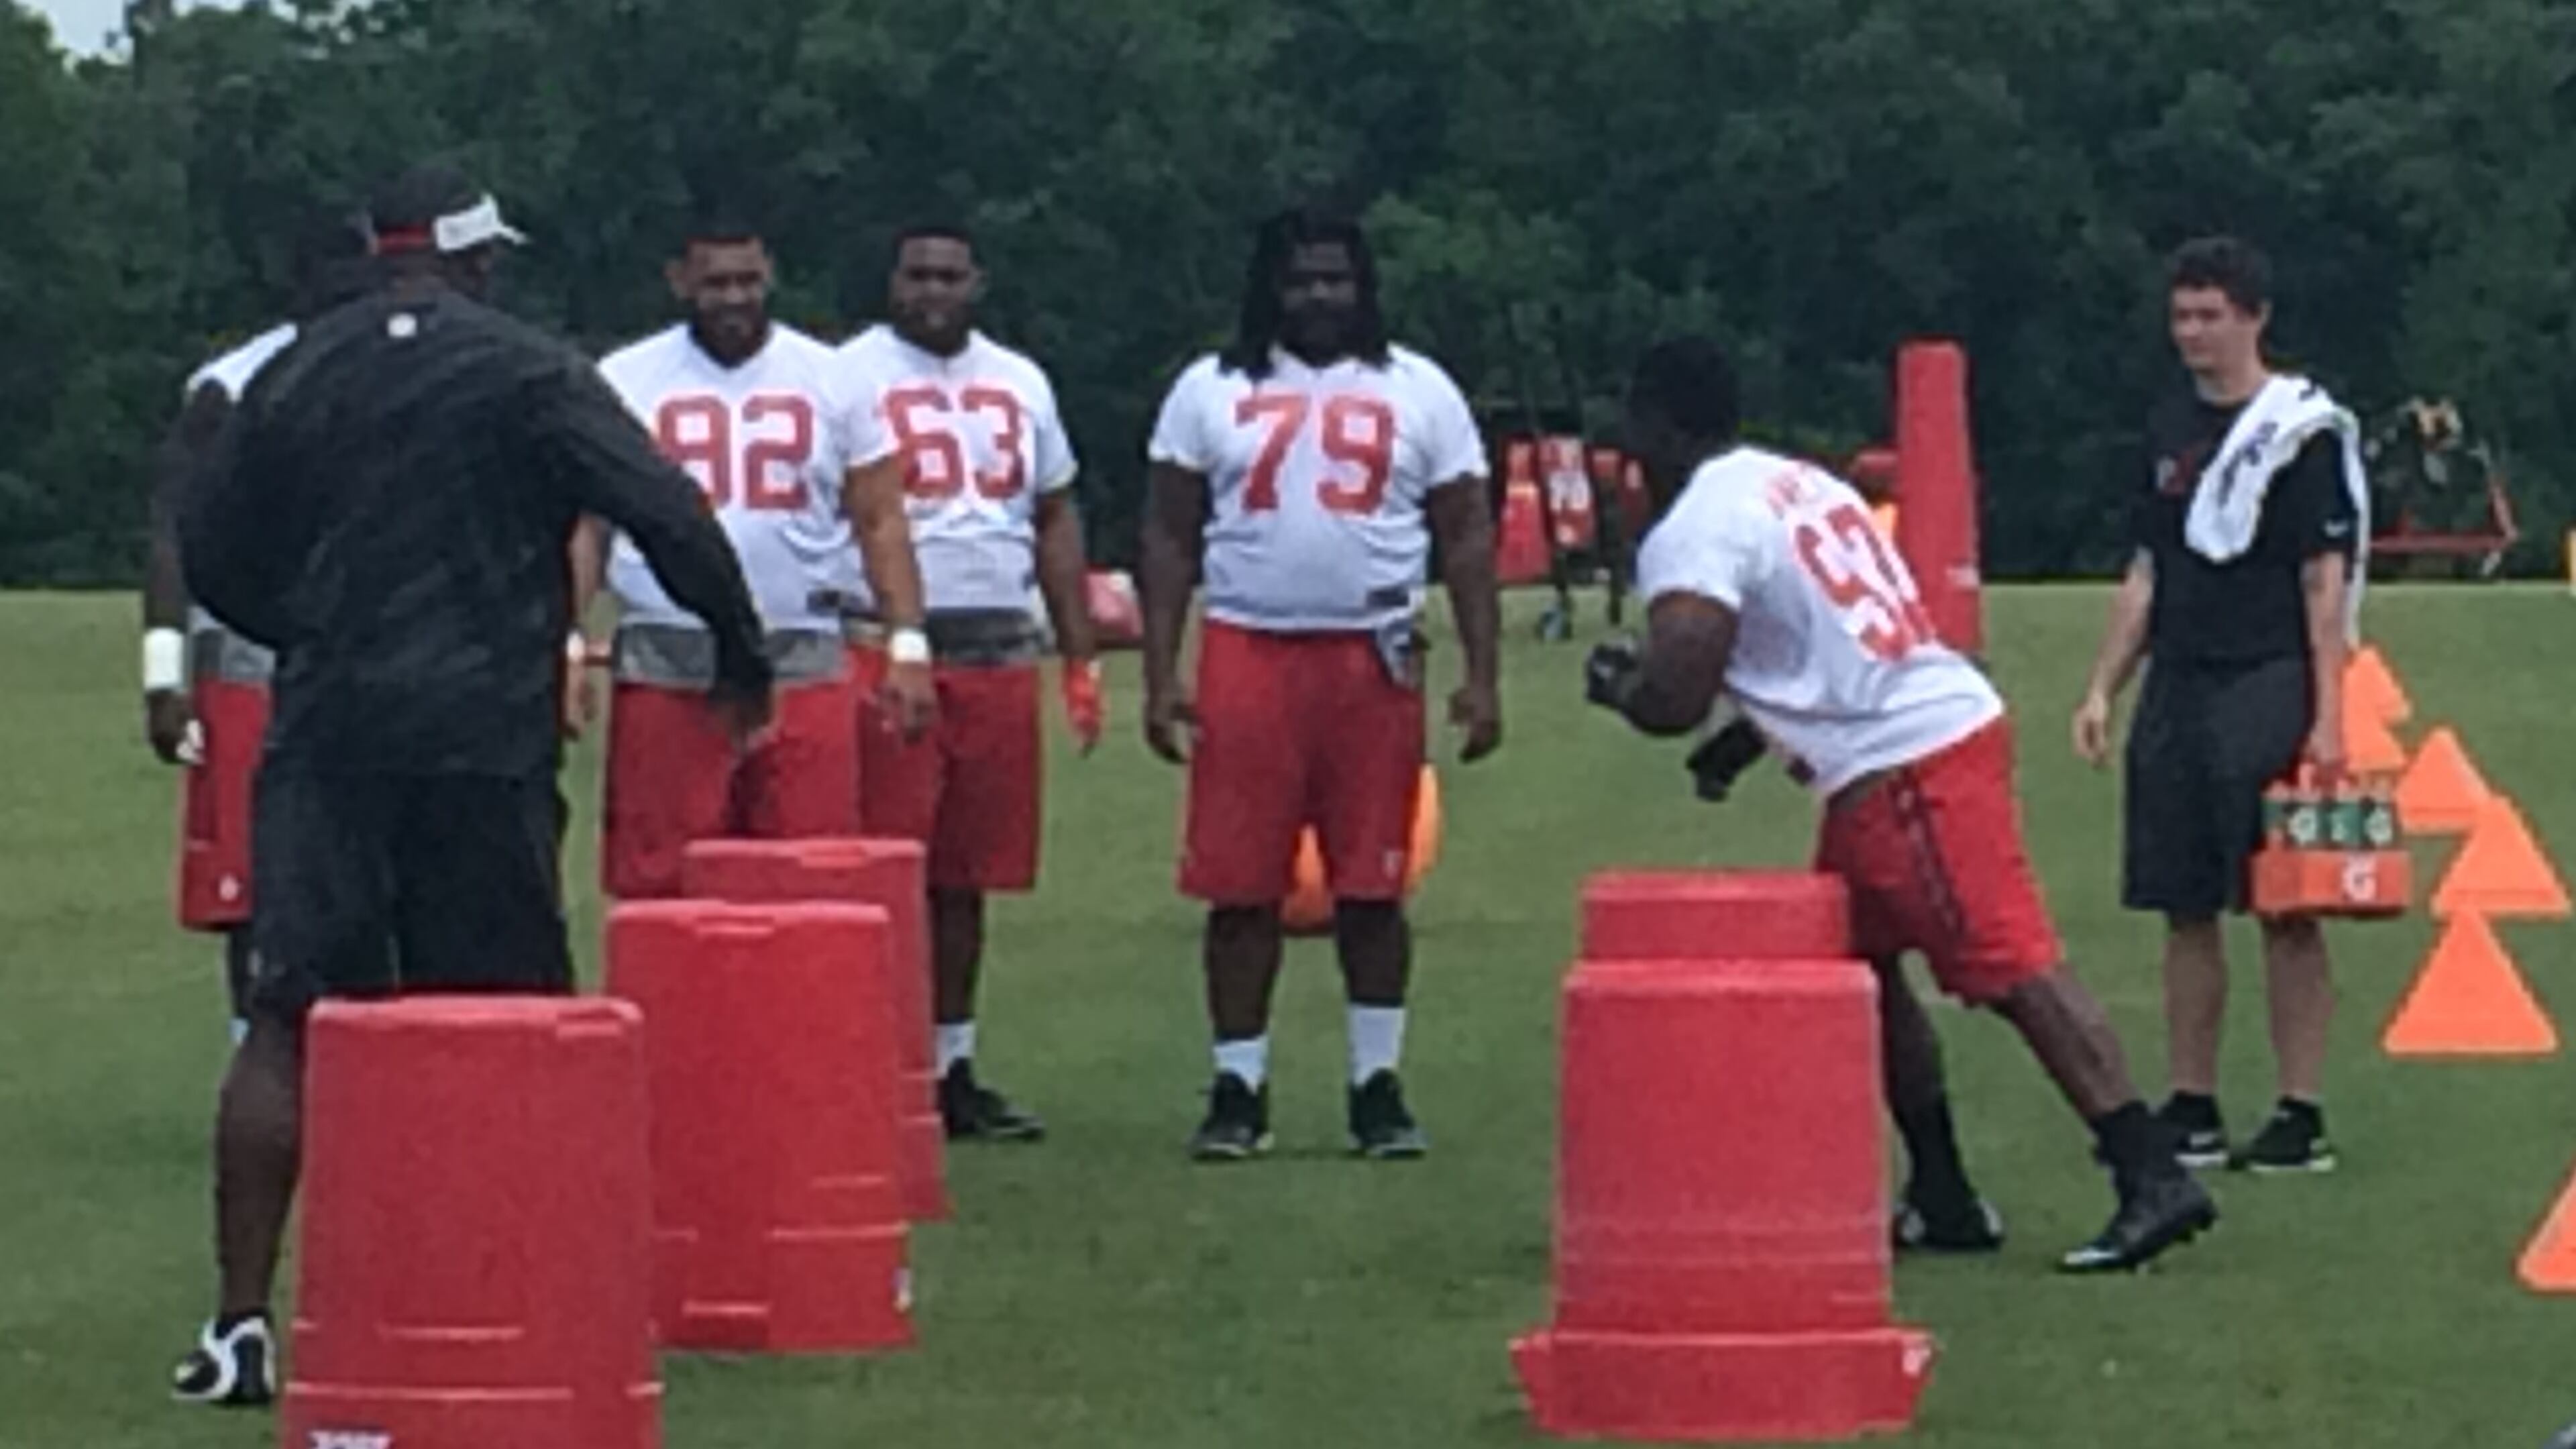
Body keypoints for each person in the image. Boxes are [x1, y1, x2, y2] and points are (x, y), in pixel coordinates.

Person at [168, 162, 773, 1407]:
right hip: (481, 737)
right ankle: (506, 1299)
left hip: (330, 730)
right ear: (462, 257)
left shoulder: (294, 369)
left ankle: (240, 1324)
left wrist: (306, 631)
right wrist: (740, 649)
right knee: (505, 1019)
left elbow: (212, 544)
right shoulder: (528, 368)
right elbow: (663, 507)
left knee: (287, 1015)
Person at [1592, 335, 2215, 1273]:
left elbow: (1674, 691)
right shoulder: (1794, 481)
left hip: (1908, 766)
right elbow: (1824, 642)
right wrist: (1743, 738)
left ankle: (2148, 1169)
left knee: (2011, 967)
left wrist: (1625, 688)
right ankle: (1943, 1190)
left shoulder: (1698, 525)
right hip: (1903, 743)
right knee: (1861, 973)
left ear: (1657, 426)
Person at [1139, 207, 1503, 1161]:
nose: (1319, 297)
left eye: (1337, 278)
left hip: (1373, 654)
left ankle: (1375, 1084)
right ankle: (1238, 1084)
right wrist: (1160, 670)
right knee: (1240, 888)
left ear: (1364, 284)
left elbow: (1466, 532)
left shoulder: (1419, 387)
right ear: (1269, 285)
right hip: (1248, 648)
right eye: (1301, 279)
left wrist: (1482, 674)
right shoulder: (1208, 388)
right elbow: (1170, 534)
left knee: (1373, 888)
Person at [2073, 236, 2366, 1173]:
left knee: (2286, 905)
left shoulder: (2302, 433)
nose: (2193, 334)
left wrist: (2329, 715)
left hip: (2268, 674)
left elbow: (2327, 582)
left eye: (2211, 316)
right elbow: (2147, 571)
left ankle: (2298, 1109)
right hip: (2180, 681)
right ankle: (2192, 1101)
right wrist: (2101, 688)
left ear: (2254, 318)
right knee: (2182, 903)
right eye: (2183, 317)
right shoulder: (2167, 429)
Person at [572, 215, 932, 904]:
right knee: (665, 885)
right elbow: (587, 525)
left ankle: (798, 1017)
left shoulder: (833, 377)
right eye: (715, 283)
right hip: (672, 660)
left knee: (809, 880)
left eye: (747, 280)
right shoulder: (625, 378)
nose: (734, 298)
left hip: (801, 654)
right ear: (679, 282)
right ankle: (674, 1016)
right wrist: (565, 637)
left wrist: (907, 641)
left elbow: (879, 515)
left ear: (770, 274)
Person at [834, 223, 1099, 1142]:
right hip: (887, 647)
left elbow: (1055, 511)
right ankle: (874, 1062)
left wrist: (1080, 652)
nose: (934, 291)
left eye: (951, 275)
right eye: (918, 274)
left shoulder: (1021, 379)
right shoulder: (847, 375)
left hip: (996, 647)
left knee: (966, 876)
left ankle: (949, 1064)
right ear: (892, 280)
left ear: (978, 281)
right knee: (885, 870)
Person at [142, 208, 374, 1042]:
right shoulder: (230, 386)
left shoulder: (398, 368)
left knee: (367, 867)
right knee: (250, 882)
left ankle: (358, 1050)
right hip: (250, 663)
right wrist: (163, 674)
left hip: (369, 663)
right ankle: (261, 1047)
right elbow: (174, 530)